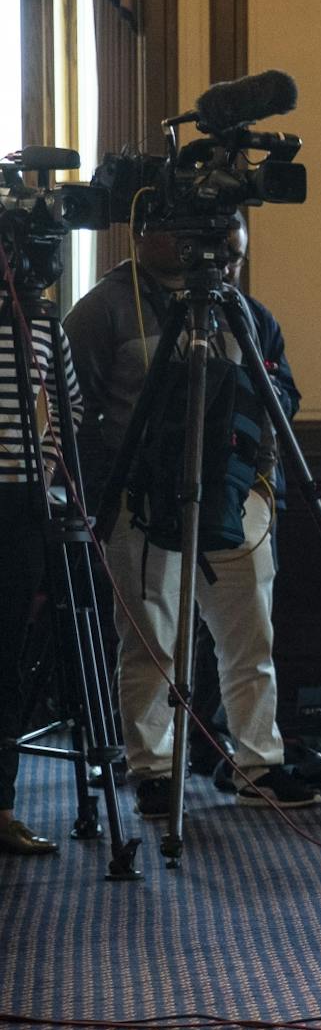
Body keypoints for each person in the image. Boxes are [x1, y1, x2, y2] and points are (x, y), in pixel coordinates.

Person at [66, 222, 317, 816]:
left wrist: (254, 447)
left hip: (235, 493)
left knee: (250, 637)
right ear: (149, 230)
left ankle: (257, 761)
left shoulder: (247, 313)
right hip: (140, 497)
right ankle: (153, 769)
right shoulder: (103, 310)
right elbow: (74, 409)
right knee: (151, 639)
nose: (222, 260)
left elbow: (286, 395)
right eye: (211, 244)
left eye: (234, 252)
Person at [0, 295, 81, 855]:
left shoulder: (42, 321)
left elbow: (68, 405)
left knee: (4, 655)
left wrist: (41, 468)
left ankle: (1, 809)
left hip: (18, 503)